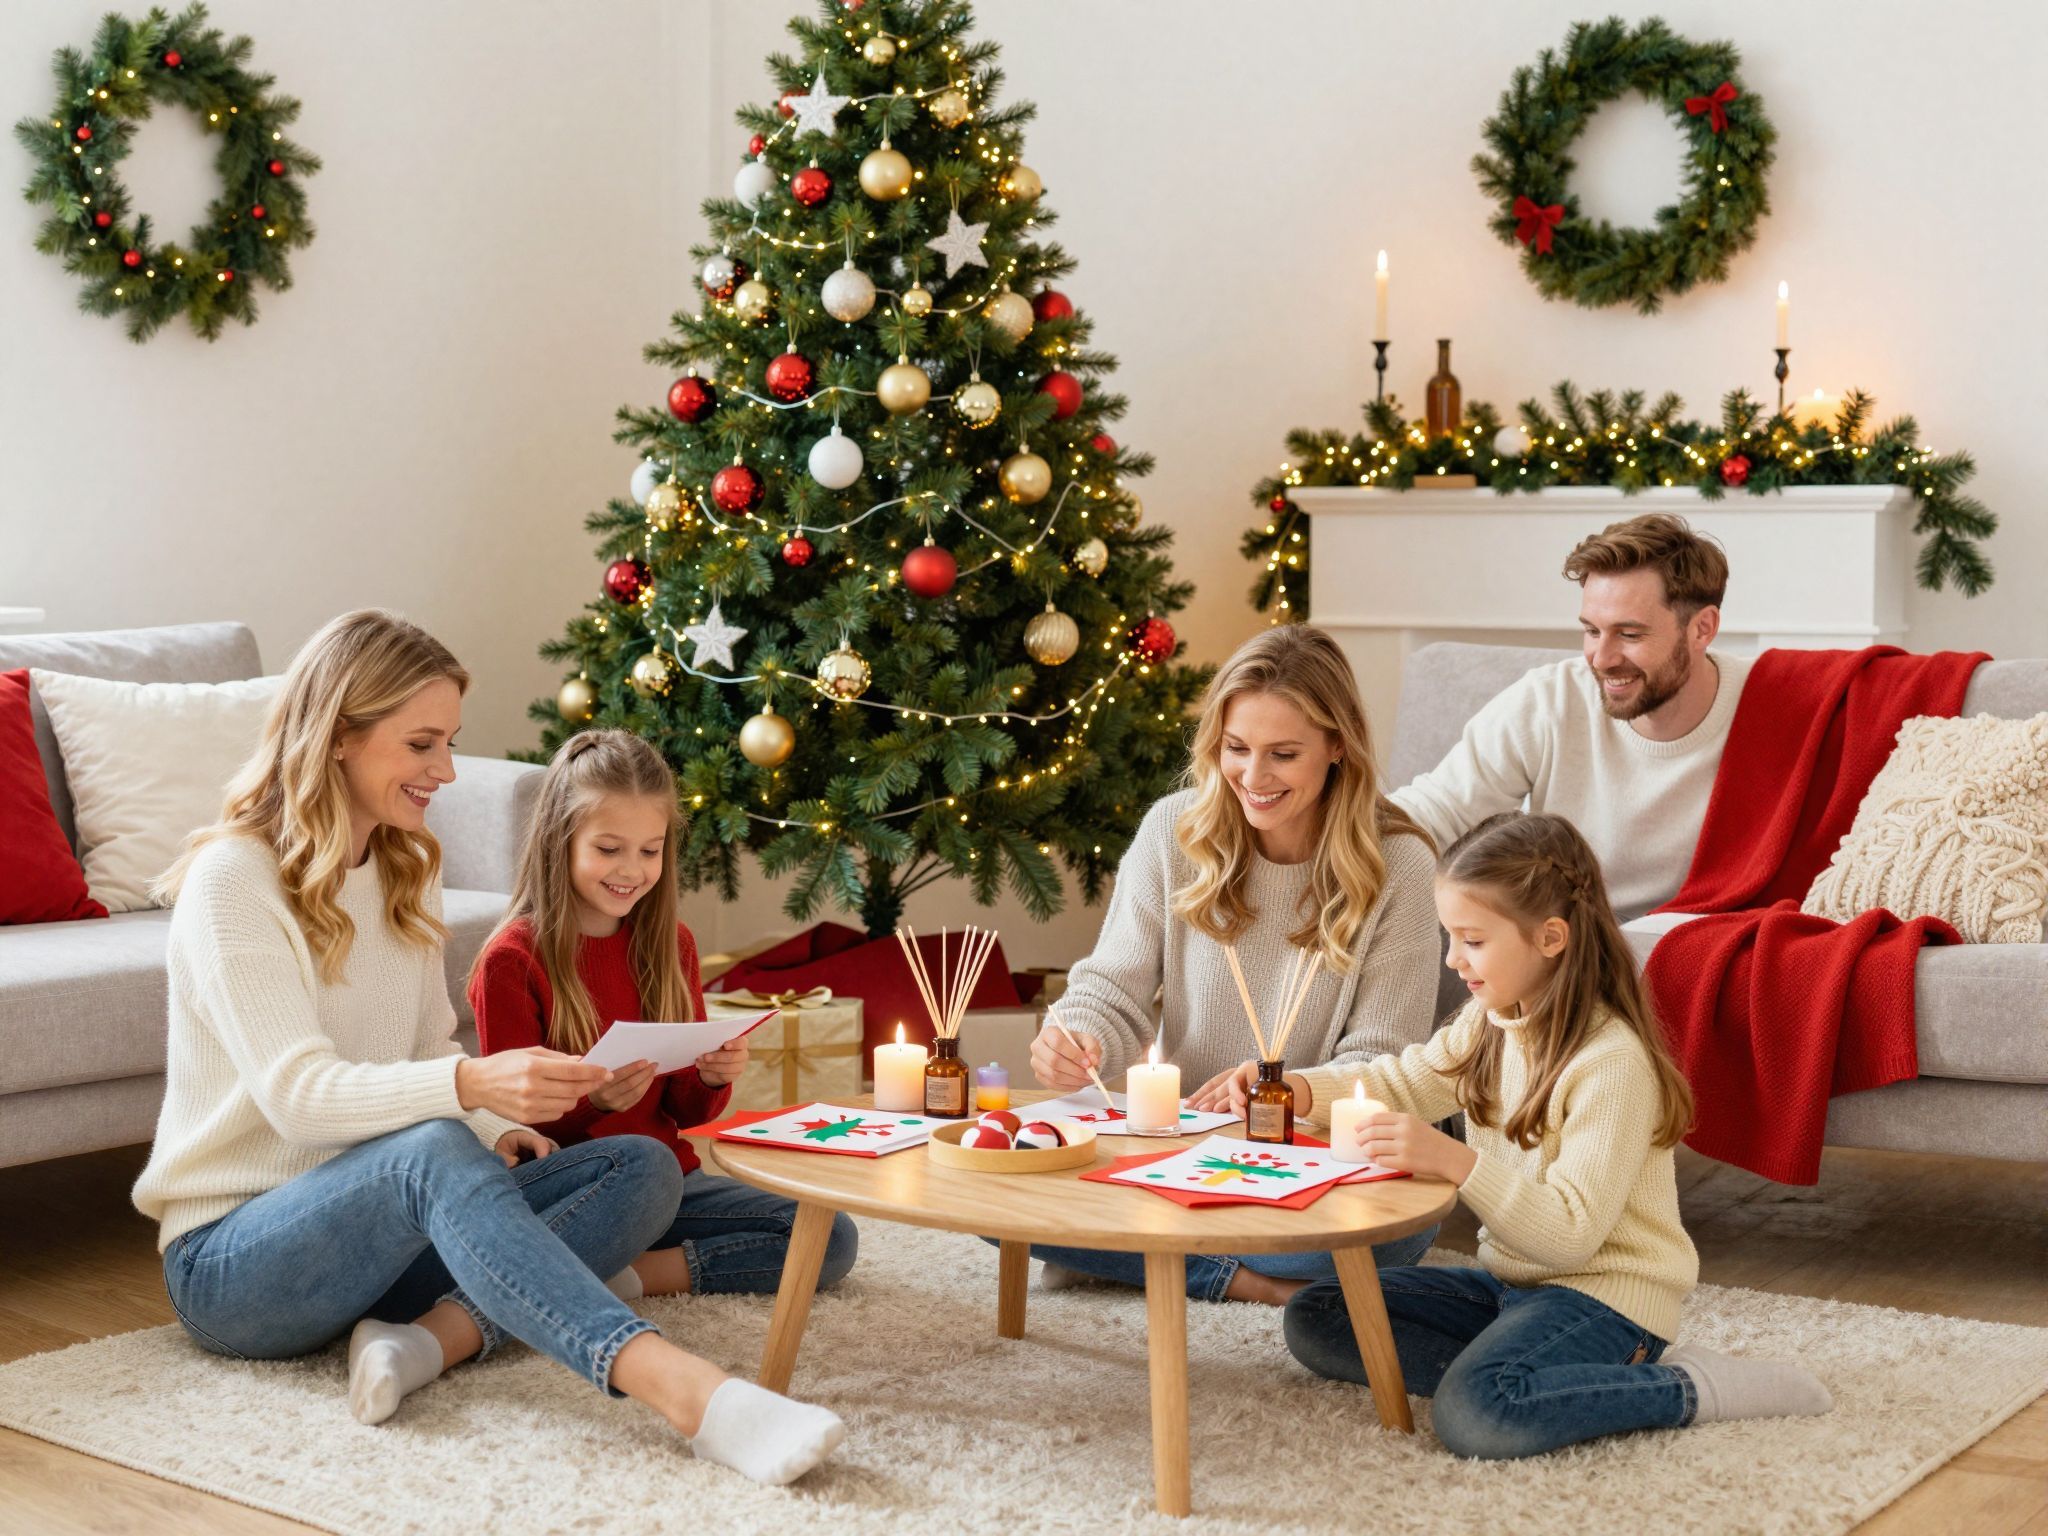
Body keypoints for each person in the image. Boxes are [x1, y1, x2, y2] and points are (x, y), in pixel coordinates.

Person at [132, 610, 843, 1485]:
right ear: (339, 736)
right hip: (237, 1266)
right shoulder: (233, 879)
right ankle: (691, 1393)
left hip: (383, 1248)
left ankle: (427, 1337)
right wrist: (470, 1087)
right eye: (422, 744)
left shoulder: (405, 866)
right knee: (430, 1147)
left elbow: (424, 1052)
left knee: (638, 1167)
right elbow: (298, 1098)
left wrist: (495, 1129)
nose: (446, 771)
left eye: (449, 742)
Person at [1225, 812, 1832, 1459]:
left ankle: (1686, 1386)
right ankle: (1534, 1377)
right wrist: (1301, 1089)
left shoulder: (1610, 1063)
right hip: (1514, 1289)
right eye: (1451, 937)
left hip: (1605, 1297)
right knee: (1319, 1313)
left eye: (1472, 940)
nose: (1453, 959)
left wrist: (1455, 1162)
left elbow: (1571, 1236)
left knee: (1479, 1416)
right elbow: (1408, 1080)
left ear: (1550, 938)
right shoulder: (1491, 1020)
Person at [1028, 624, 1442, 1303]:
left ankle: (1143, 1254)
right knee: (996, 1188)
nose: (1253, 778)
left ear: (1338, 745)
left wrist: (1293, 1088)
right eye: (1236, 748)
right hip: (1179, 1151)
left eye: (1284, 754)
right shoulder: (1174, 831)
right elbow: (1112, 988)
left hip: (1315, 1164)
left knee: (1389, 1238)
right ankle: (1249, 1281)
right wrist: (1078, 1036)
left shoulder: (1399, 864)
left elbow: (1385, 1062)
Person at [470, 729, 858, 1299]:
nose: (631, 870)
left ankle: (626, 1277)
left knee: (829, 1237)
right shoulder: (512, 959)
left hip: (672, 1182)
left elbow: (688, 1112)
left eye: (649, 851)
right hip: (573, 1191)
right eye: (609, 849)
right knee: (640, 1167)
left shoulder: (671, 944)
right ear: (559, 841)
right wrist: (596, 1104)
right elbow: (511, 1127)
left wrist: (711, 1077)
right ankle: (585, 1261)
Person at [1389, 512, 1751, 921]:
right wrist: (1341, 836)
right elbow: (1440, 810)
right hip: (1572, 946)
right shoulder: (1551, 699)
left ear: (1702, 628)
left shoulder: (1770, 703)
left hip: (1709, 943)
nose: (1601, 658)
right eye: (1592, 631)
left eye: (1629, 634)